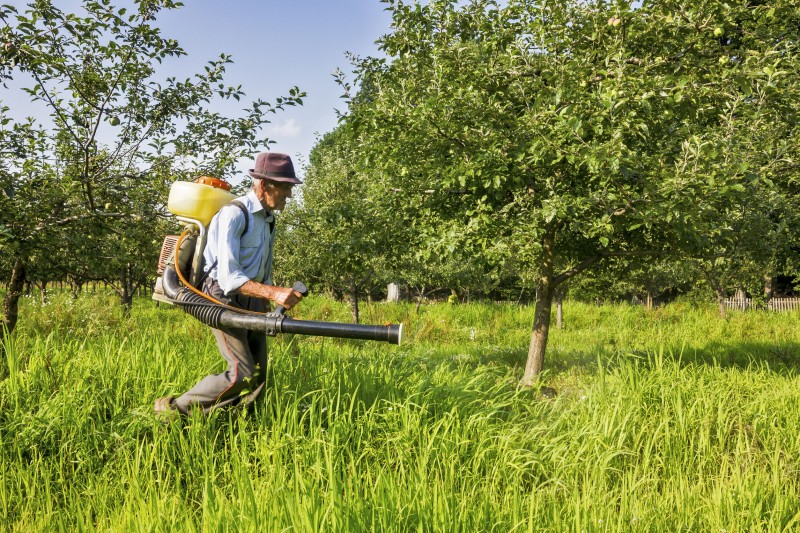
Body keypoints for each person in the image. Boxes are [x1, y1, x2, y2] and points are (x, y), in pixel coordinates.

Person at [155, 152, 304, 416]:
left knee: (258, 373)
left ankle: (239, 422)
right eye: (285, 187)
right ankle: (172, 410)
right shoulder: (234, 215)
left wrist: (270, 302)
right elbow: (228, 278)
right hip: (222, 299)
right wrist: (275, 292)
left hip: (253, 297)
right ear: (265, 184)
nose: (289, 195)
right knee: (242, 372)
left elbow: (263, 272)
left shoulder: (269, 220)